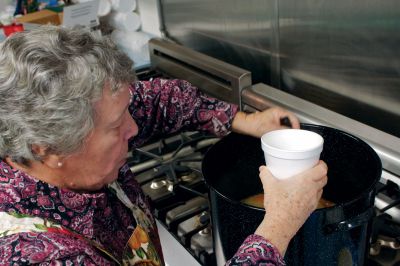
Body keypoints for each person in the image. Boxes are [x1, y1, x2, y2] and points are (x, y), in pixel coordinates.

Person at [0, 26, 328, 265]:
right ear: (48, 148)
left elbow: (158, 99)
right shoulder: (40, 257)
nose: (133, 126)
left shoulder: (69, 129)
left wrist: (243, 120)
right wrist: (279, 225)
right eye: (116, 126)